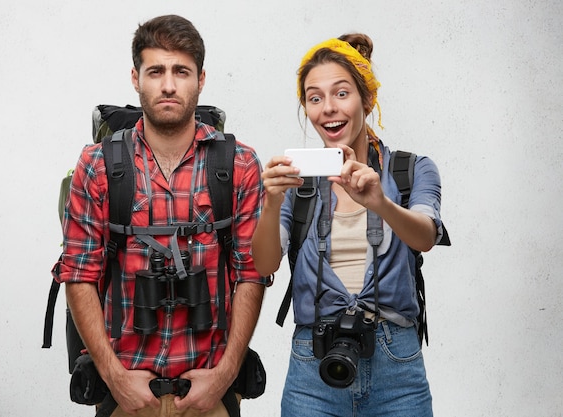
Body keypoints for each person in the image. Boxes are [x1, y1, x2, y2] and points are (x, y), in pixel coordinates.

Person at [54, 15, 268, 417]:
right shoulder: (98, 165)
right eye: (156, 71)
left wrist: (224, 375)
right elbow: (80, 273)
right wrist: (114, 378)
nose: (168, 85)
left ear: (201, 79)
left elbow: (251, 274)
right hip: (126, 392)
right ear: (135, 78)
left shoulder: (238, 164)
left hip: (209, 390)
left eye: (181, 71)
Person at [252, 34, 447, 417]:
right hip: (313, 362)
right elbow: (264, 265)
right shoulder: (297, 182)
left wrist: (379, 203)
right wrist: (271, 203)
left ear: (367, 99)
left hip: (397, 366)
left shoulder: (412, 169)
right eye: (314, 97)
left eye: (341, 94)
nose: (328, 109)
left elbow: (425, 236)